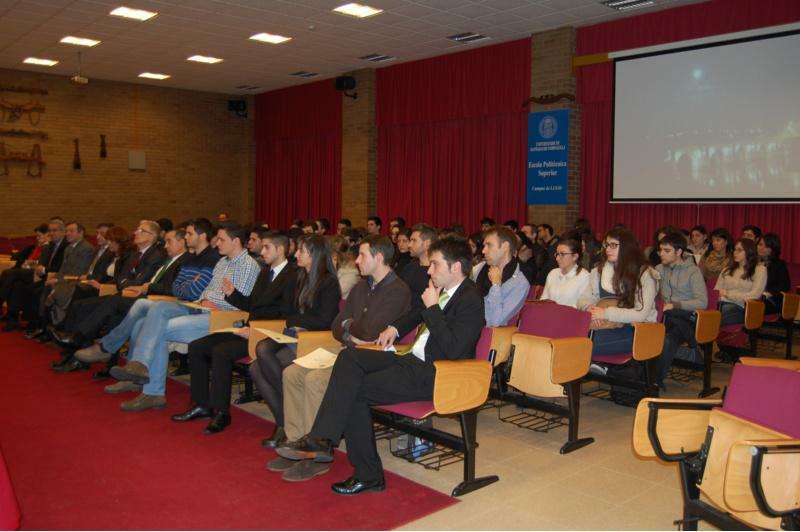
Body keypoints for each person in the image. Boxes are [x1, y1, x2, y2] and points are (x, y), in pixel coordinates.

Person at [276, 236, 485, 495]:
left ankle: (365, 472)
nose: (429, 270)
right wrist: (395, 328)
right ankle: (323, 438)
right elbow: (415, 312)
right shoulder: (441, 290)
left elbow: (453, 349)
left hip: (436, 373)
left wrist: (433, 309)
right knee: (350, 357)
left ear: (455, 268)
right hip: (410, 358)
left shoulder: (471, 298)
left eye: (435, 265)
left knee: (354, 391)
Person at [273, 235, 411, 481]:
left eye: (362, 256)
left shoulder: (398, 290)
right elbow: (338, 325)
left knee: (316, 379)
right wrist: (350, 330)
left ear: (379, 258)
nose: (357, 261)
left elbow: (370, 333)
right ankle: (296, 442)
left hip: (369, 358)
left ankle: (317, 452)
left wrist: (350, 327)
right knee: (292, 372)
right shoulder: (361, 286)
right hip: (348, 350)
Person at [108, 222, 260, 413]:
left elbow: (242, 305)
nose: (217, 243)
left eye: (221, 239)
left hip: (222, 317)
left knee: (157, 328)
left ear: (235, 241)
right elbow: (206, 290)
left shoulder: (247, 265)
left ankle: (150, 388)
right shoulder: (223, 262)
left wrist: (215, 302)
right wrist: (203, 300)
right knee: (149, 316)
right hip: (201, 307)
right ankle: (138, 372)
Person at [173, 231, 298, 434]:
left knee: (222, 352)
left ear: (281, 249)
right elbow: (253, 305)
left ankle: (222, 412)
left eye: (266, 247)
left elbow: (286, 313)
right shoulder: (266, 272)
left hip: (268, 334)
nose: (260, 250)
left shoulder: (292, 276)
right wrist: (233, 294)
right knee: (197, 346)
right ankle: (202, 404)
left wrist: (255, 329)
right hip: (249, 327)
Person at [251, 234, 341, 449]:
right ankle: (285, 419)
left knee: (263, 351)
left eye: (301, 251)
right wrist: (297, 321)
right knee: (255, 367)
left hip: (313, 340)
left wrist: (300, 322)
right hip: (294, 334)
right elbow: (287, 312)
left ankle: (286, 420)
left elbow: (325, 320)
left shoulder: (328, 281)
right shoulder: (299, 276)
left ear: (314, 255)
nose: (296, 254)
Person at [577, 228, 658, 357]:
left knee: (581, 346)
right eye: (606, 245)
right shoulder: (598, 271)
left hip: (635, 329)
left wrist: (605, 313)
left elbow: (641, 314)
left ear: (627, 247)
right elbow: (583, 299)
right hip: (605, 325)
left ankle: (602, 369)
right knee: (570, 340)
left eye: (613, 245)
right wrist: (591, 309)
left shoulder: (645, 274)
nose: (607, 249)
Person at [654, 232, 708, 389]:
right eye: (660, 250)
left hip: (686, 317)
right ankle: (693, 347)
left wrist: (675, 305)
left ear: (679, 252)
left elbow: (702, 302)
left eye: (666, 250)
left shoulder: (693, 271)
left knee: (667, 339)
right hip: (665, 317)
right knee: (653, 334)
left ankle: (654, 381)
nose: (661, 254)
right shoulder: (658, 269)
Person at [475, 226, 528, 326]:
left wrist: (496, 285)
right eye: (484, 246)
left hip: (489, 335)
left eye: (489, 245)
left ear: (504, 246)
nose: (483, 251)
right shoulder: (480, 269)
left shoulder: (520, 283)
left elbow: (495, 320)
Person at [716, 238, 766, 326]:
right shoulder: (726, 270)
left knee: (713, 316)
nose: (735, 252)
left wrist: (728, 294)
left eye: (739, 250)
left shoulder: (760, 269)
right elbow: (717, 291)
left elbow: (755, 295)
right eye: (735, 249)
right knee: (702, 313)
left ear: (749, 251)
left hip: (743, 308)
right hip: (723, 303)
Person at [540, 237, 590, 308]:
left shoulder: (584, 277)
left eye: (562, 254)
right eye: (557, 254)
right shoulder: (553, 273)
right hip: (550, 314)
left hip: (570, 316)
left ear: (575, 257)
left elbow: (580, 306)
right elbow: (544, 299)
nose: (557, 258)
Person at [757, 233, 790, 315]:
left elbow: (784, 286)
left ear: (773, 249)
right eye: (760, 244)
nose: (761, 248)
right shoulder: (751, 263)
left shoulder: (779, 264)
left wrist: (768, 293)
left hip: (770, 299)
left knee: (748, 307)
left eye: (766, 246)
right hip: (751, 296)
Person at [330, 235, 360, 299]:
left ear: (336, 255)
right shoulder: (331, 265)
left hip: (341, 306)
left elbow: (334, 293)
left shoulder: (351, 272)